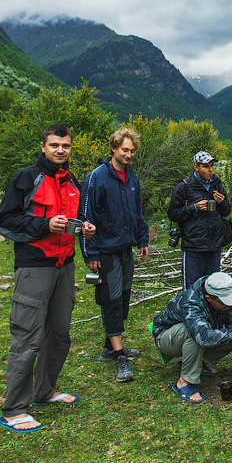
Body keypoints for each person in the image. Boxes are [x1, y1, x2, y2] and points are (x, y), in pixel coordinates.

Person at [0, 124, 96, 433]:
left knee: (60, 333)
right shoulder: (27, 178)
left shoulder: (71, 180)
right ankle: (13, 409)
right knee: (27, 336)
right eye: (54, 145)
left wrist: (83, 228)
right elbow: (5, 221)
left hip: (65, 266)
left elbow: (69, 220)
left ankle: (44, 392)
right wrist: (43, 225)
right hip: (34, 266)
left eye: (65, 145)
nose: (60, 150)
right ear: (43, 146)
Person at [79, 128, 150, 383]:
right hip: (105, 248)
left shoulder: (131, 179)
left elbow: (137, 212)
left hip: (125, 247)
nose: (129, 154)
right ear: (113, 148)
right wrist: (90, 252)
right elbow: (85, 217)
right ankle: (119, 356)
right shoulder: (96, 178)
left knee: (123, 297)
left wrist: (142, 238)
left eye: (132, 151)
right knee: (110, 297)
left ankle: (110, 346)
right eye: (125, 150)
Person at [151, 272, 232, 403]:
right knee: (199, 334)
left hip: (198, 334)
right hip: (166, 338)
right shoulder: (191, 301)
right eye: (225, 303)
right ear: (209, 298)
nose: (229, 306)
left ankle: (196, 364)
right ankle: (184, 382)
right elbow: (203, 337)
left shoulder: (223, 295)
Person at [167, 151, 231, 289]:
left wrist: (222, 202)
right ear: (196, 167)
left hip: (214, 245)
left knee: (213, 289)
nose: (211, 169)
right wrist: (194, 208)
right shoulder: (184, 186)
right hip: (193, 246)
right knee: (192, 290)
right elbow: (173, 214)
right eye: (206, 166)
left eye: (212, 165)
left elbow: (226, 212)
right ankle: (192, 311)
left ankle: (209, 311)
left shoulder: (217, 184)